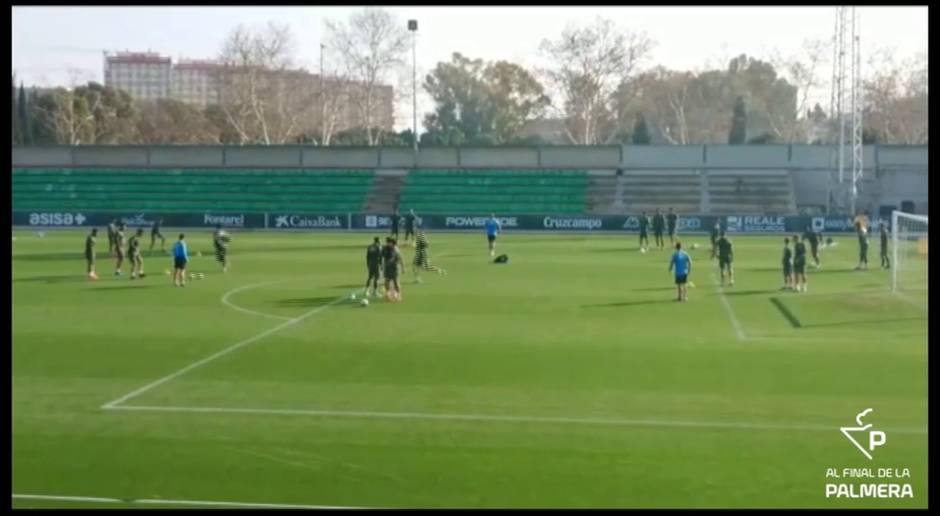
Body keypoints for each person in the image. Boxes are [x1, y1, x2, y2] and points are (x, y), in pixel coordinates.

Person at [381, 237, 405, 302]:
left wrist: (403, 268)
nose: (389, 244)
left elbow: (401, 259)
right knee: (386, 281)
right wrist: (381, 266)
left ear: (393, 244)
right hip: (387, 268)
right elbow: (381, 256)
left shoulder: (396, 250)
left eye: (390, 243)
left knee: (396, 282)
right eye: (388, 243)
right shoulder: (385, 248)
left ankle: (399, 295)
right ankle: (387, 293)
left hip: (394, 268)